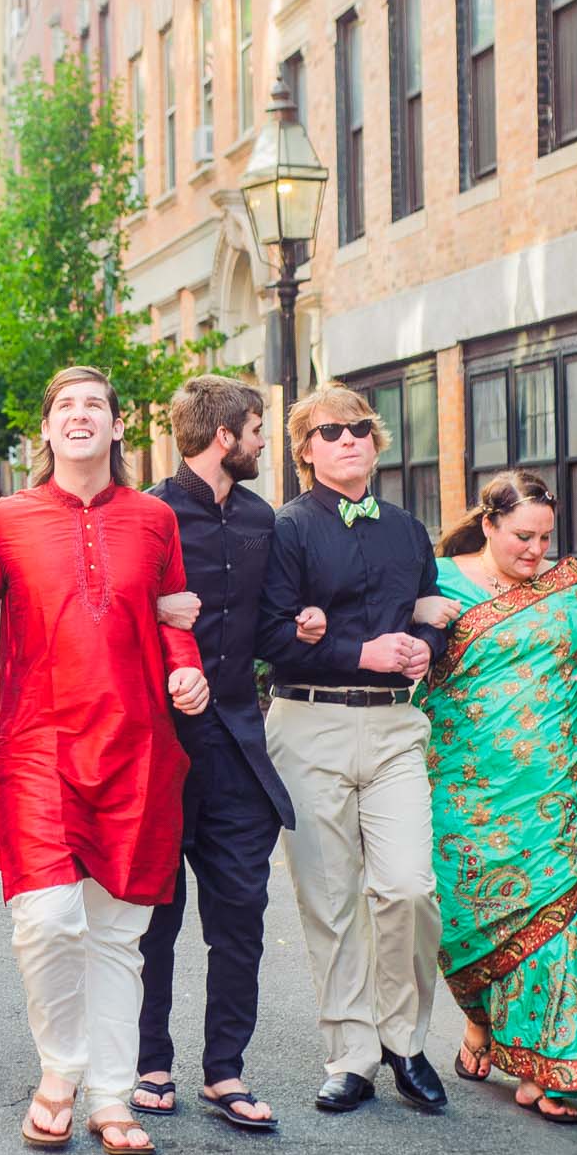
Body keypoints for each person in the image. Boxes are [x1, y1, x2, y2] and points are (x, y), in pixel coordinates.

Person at [0, 366, 209, 1155]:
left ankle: (110, 1094)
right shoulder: (7, 519)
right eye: (65, 405)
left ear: (116, 428)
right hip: (37, 743)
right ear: (47, 429)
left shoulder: (155, 519)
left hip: (135, 745)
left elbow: (172, 613)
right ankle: (58, 1073)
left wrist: (186, 665)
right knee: (47, 919)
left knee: (118, 931)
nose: (80, 415)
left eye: (94, 404)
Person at [258, 382, 448, 1115]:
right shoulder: (288, 529)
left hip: (397, 728)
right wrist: (360, 650)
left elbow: (430, 610)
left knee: (408, 887)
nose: (350, 440)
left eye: (362, 428)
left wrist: (423, 649)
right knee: (331, 899)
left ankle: (405, 1037)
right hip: (310, 724)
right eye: (332, 431)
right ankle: (353, 1053)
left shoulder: (406, 529)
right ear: (306, 448)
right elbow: (271, 639)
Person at [414, 470, 577, 1125]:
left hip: (556, 790)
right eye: (523, 537)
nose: (536, 552)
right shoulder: (436, 582)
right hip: (465, 790)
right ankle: (486, 1028)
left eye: (545, 538)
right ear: (489, 524)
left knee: (558, 926)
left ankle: (557, 1067)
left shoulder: (568, 590)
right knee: (463, 922)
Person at [132, 375, 299, 1132]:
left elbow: (267, 634)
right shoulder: (147, 515)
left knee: (241, 914)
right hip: (157, 748)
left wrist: (309, 628)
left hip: (237, 746)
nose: (265, 443)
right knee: (153, 915)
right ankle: (149, 1061)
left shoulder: (263, 517)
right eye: (258, 430)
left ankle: (225, 1070)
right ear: (225, 435)